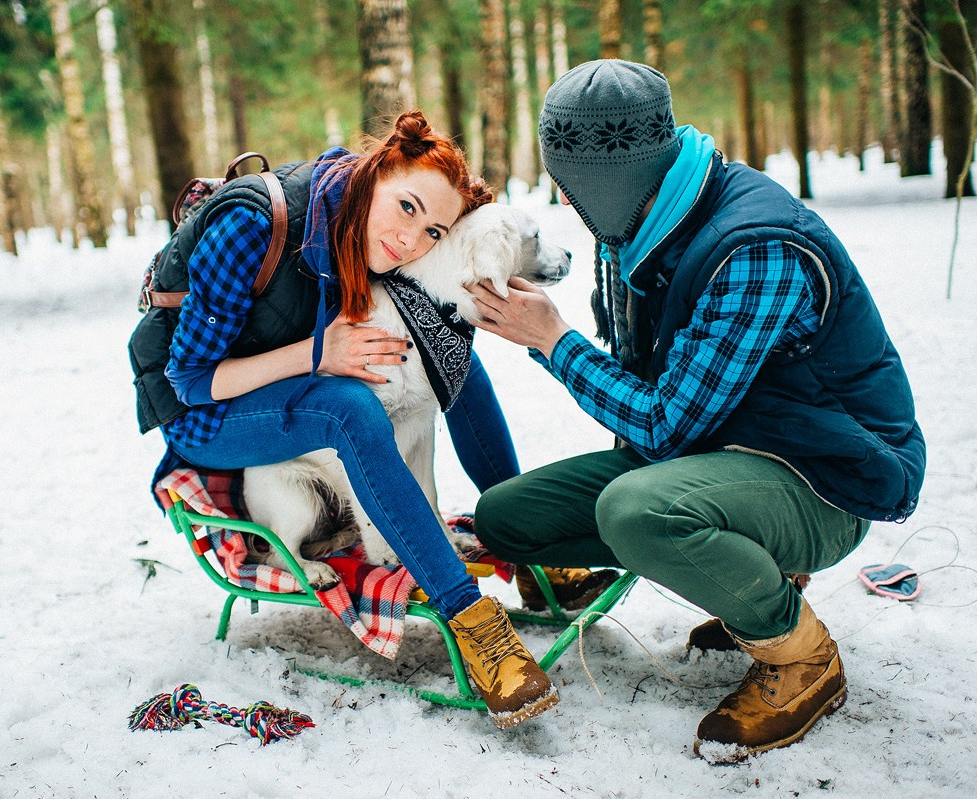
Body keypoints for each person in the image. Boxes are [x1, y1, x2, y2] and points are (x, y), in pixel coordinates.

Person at [468, 61, 926, 759]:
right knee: (507, 517)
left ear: (608, 175)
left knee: (635, 510)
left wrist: (552, 340)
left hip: (828, 477)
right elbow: (649, 398)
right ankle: (753, 578)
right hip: (733, 447)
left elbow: (662, 424)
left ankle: (801, 658)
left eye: (571, 177)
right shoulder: (644, 223)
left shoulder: (754, 245)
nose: (564, 192)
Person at [129, 111, 557, 729]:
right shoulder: (252, 224)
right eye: (407, 208)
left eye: (434, 231)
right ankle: (474, 623)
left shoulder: (362, 224)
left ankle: (530, 538)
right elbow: (190, 380)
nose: (413, 241)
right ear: (376, 172)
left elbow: (435, 316)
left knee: (449, 359)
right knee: (347, 407)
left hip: (288, 383)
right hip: (208, 415)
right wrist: (318, 353)